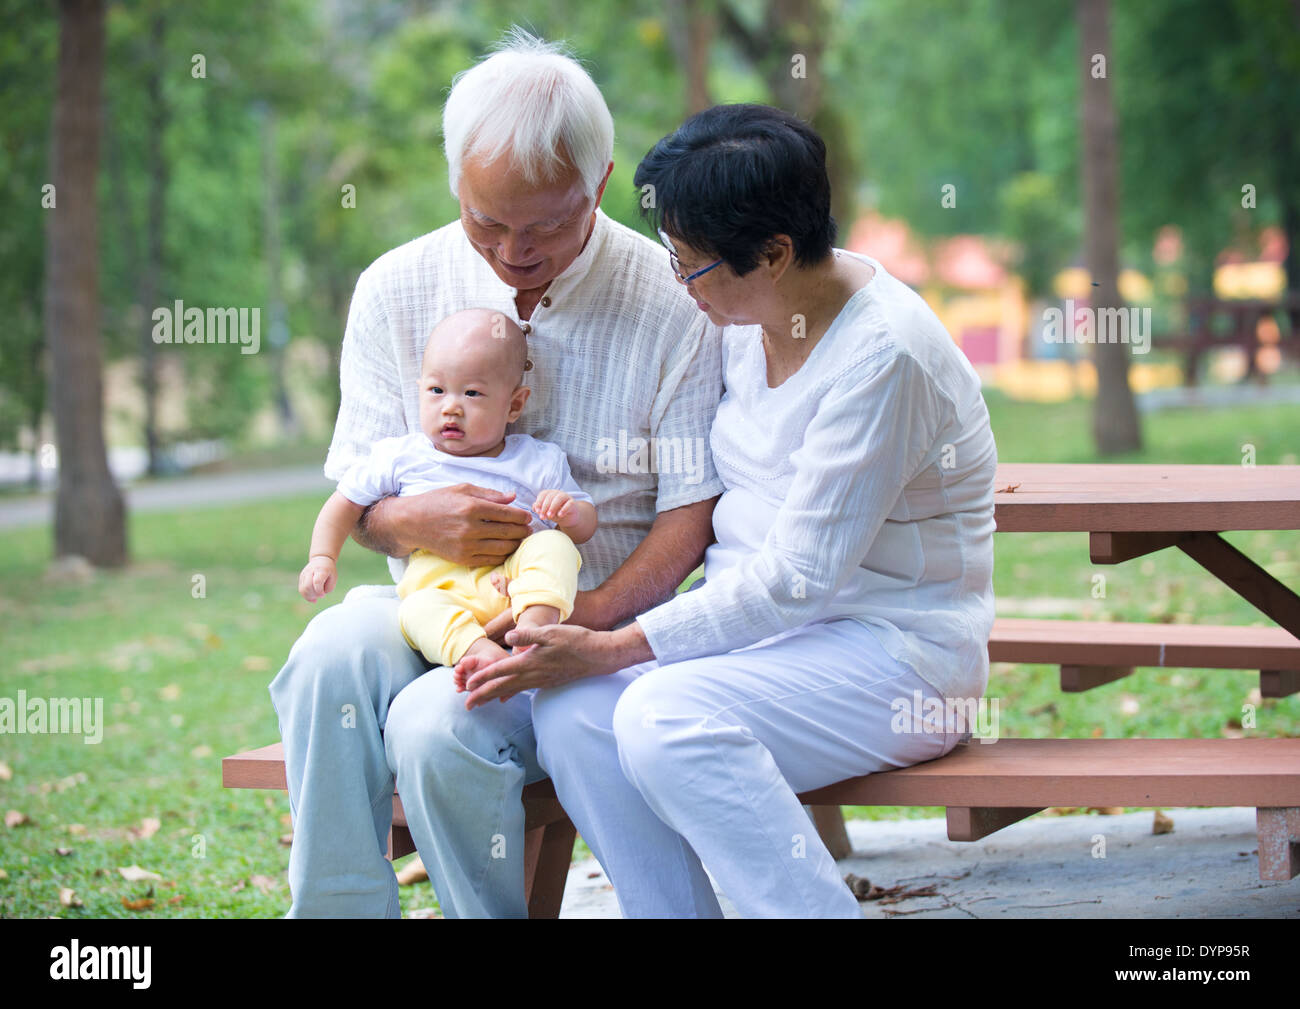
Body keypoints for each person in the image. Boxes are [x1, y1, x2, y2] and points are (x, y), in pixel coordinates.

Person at [457, 103, 999, 918]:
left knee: (662, 714)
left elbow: (797, 582)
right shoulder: (745, 313)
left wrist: (612, 645)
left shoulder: (884, 358)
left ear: (775, 253)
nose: (682, 285)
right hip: (761, 649)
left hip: (896, 657)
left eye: (692, 266)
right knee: (574, 716)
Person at [268, 30, 723, 918]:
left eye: (546, 223)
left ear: (598, 184)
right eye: (487, 220)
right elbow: (361, 497)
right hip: (428, 604)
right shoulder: (394, 287)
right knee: (325, 655)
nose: (513, 250)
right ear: (455, 186)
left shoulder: (673, 303)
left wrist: (577, 623)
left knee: (438, 725)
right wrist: (412, 522)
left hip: (588, 624)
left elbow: (689, 516)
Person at [297, 308, 596, 672]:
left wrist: (569, 512)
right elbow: (343, 503)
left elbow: (584, 526)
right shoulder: (402, 456)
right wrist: (322, 558)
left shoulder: (537, 460)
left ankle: (535, 627)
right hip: (439, 588)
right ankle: (476, 652)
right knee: (415, 610)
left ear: (514, 405)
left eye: (472, 393)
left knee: (554, 545)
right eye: (436, 390)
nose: (451, 407)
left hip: (514, 583)